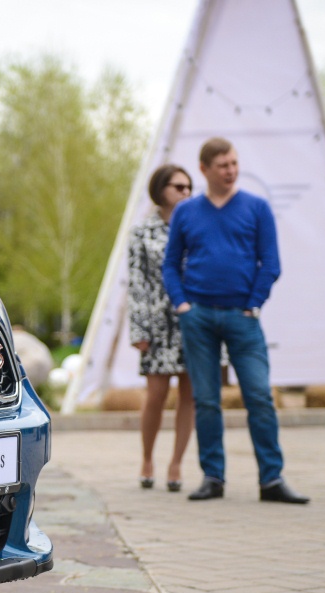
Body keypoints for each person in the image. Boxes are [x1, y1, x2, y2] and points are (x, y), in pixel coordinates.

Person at [162, 137, 309, 504]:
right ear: (204, 169)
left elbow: (270, 262)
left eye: (234, 163)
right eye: (222, 165)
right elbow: (171, 263)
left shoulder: (257, 208)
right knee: (206, 400)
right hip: (198, 316)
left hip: (243, 318)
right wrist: (182, 305)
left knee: (259, 395)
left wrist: (253, 305)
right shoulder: (186, 211)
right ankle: (212, 477)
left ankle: (271, 480)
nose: (231, 171)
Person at [127, 164, 196, 492]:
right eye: (178, 187)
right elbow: (136, 283)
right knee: (156, 395)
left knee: (190, 395)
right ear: (160, 190)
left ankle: (176, 464)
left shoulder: (196, 226)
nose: (185, 192)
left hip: (193, 322)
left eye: (188, 187)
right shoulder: (142, 232)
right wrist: (138, 330)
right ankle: (147, 458)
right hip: (156, 325)